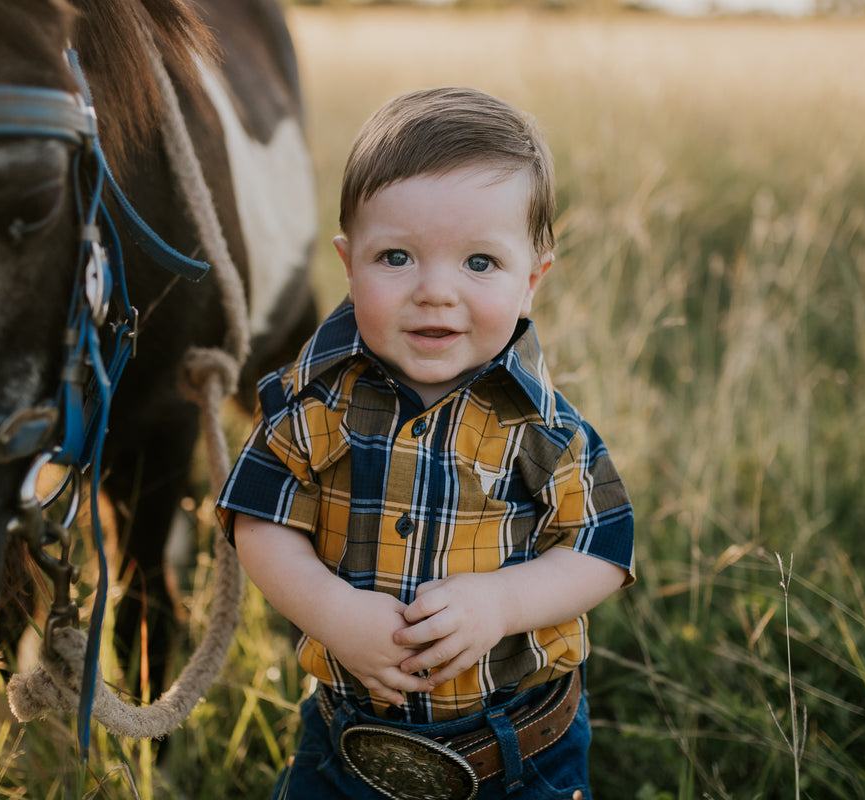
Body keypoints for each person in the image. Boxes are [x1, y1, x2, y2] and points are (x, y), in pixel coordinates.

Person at [215, 86, 635, 800]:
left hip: (519, 749)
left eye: (479, 264)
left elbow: (601, 547)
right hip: (347, 744)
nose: (436, 291)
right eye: (397, 258)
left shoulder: (543, 429)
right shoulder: (317, 405)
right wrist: (332, 613)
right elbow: (257, 517)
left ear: (532, 281)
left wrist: (501, 604)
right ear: (348, 264)